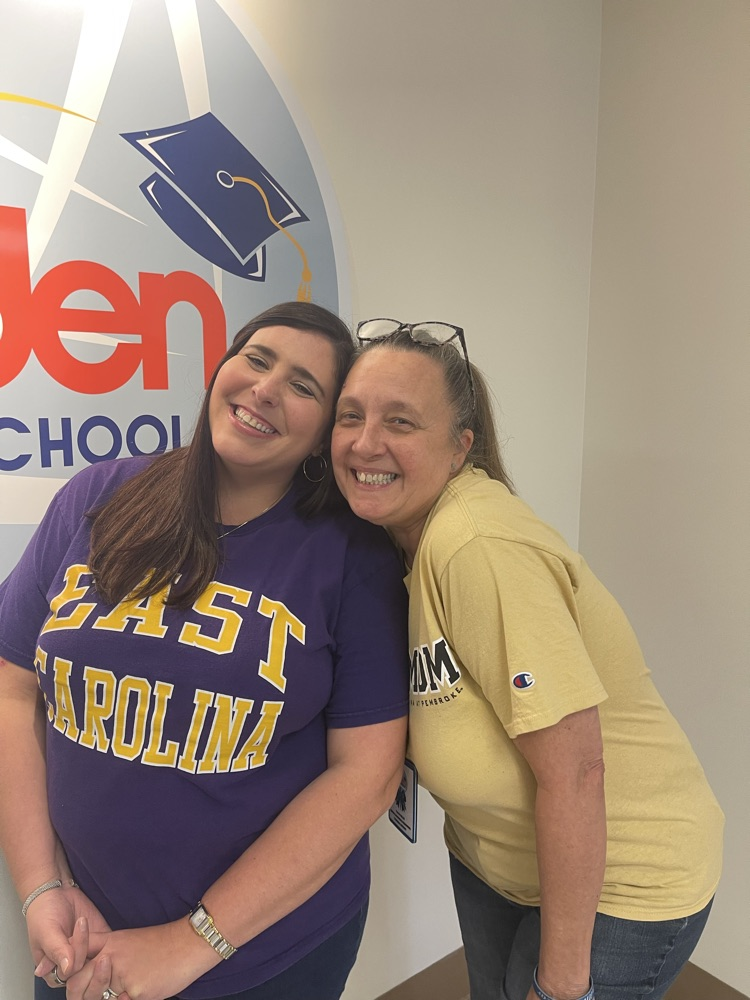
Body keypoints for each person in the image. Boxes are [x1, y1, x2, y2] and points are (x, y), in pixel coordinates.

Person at [0, 302, 409, 1000]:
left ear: (324, 438)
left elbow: (365, 776)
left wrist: (192, 943)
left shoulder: (350, 555)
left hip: (265, 956)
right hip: (84, 938)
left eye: (305, 386)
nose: (266, 388)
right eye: (255, 358)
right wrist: (43, 887)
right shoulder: (100, 495)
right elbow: (12, 689)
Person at [331, 319, 724, 1000]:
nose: (366, 443)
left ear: (461, 448)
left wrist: (564, 983)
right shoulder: (395, 546)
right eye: (351, 416)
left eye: (401, 422)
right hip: (500, 865)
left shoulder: (478, 546)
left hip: (623, 884)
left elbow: (576, 773)